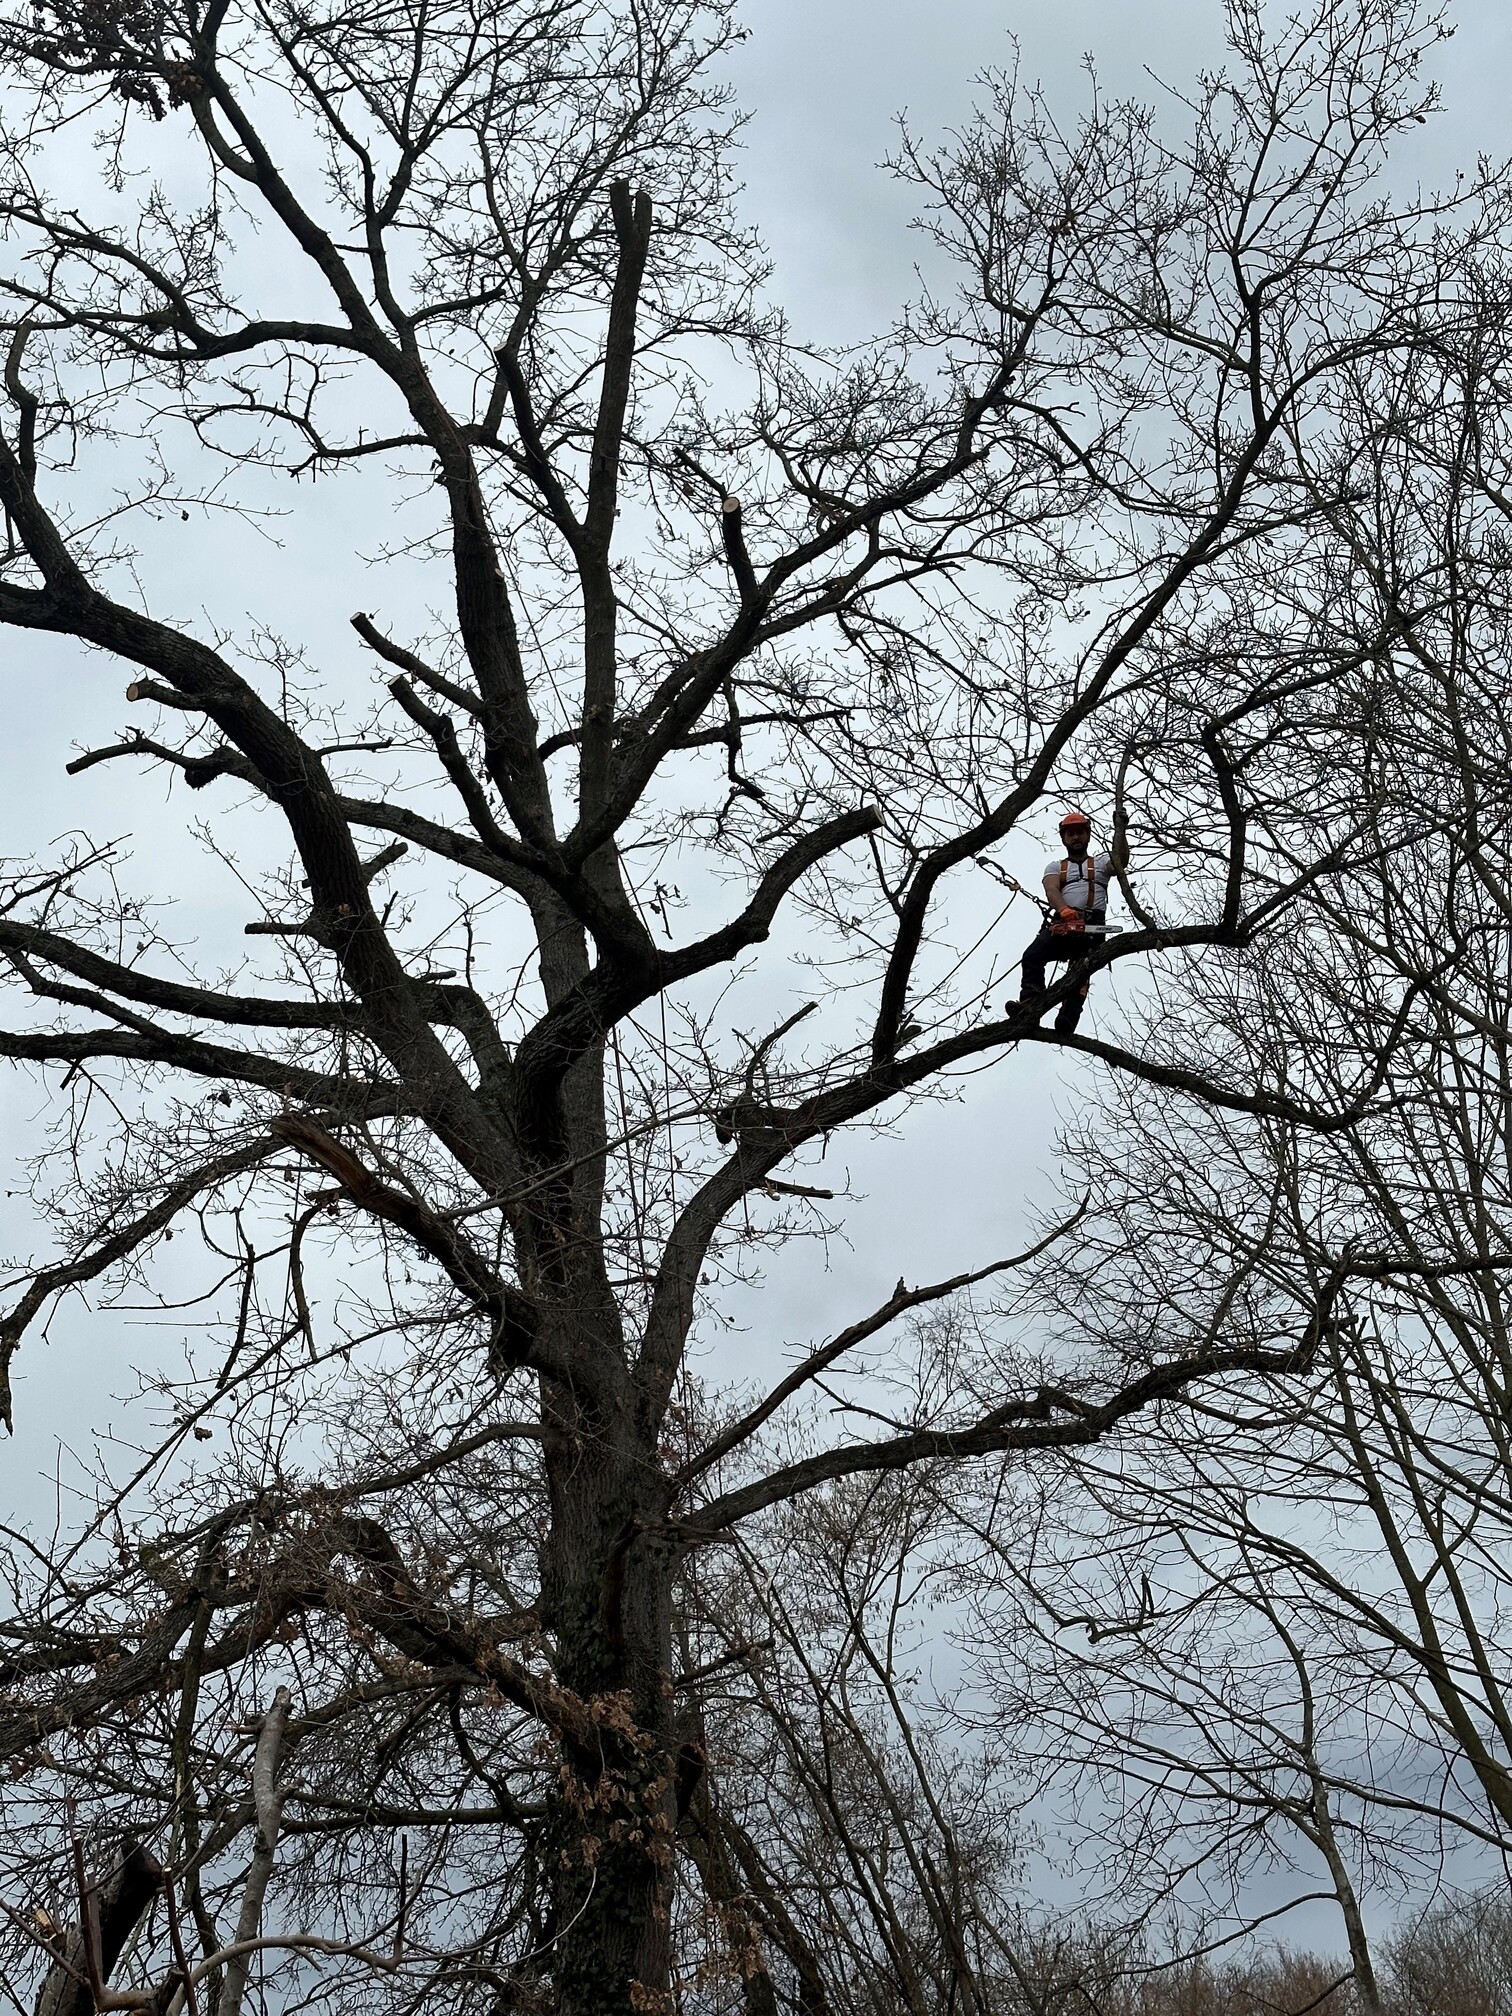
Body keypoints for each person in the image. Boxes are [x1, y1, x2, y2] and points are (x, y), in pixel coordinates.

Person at [1009, 809, 1110, 1034]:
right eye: (1071, 834)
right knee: (1033, 956)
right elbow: (1051, 889)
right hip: (1063, 923)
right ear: (1064, 838)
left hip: (1091, 925)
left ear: (1087, 835)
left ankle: (1068, 1017)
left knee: (1080, 971)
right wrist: (1063, 909)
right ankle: (1030, 1002)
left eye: (1080, 833)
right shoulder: (1056, 867)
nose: (1075, 838)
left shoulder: (1102, 863)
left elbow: (1121, 861)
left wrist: (1121, 831)